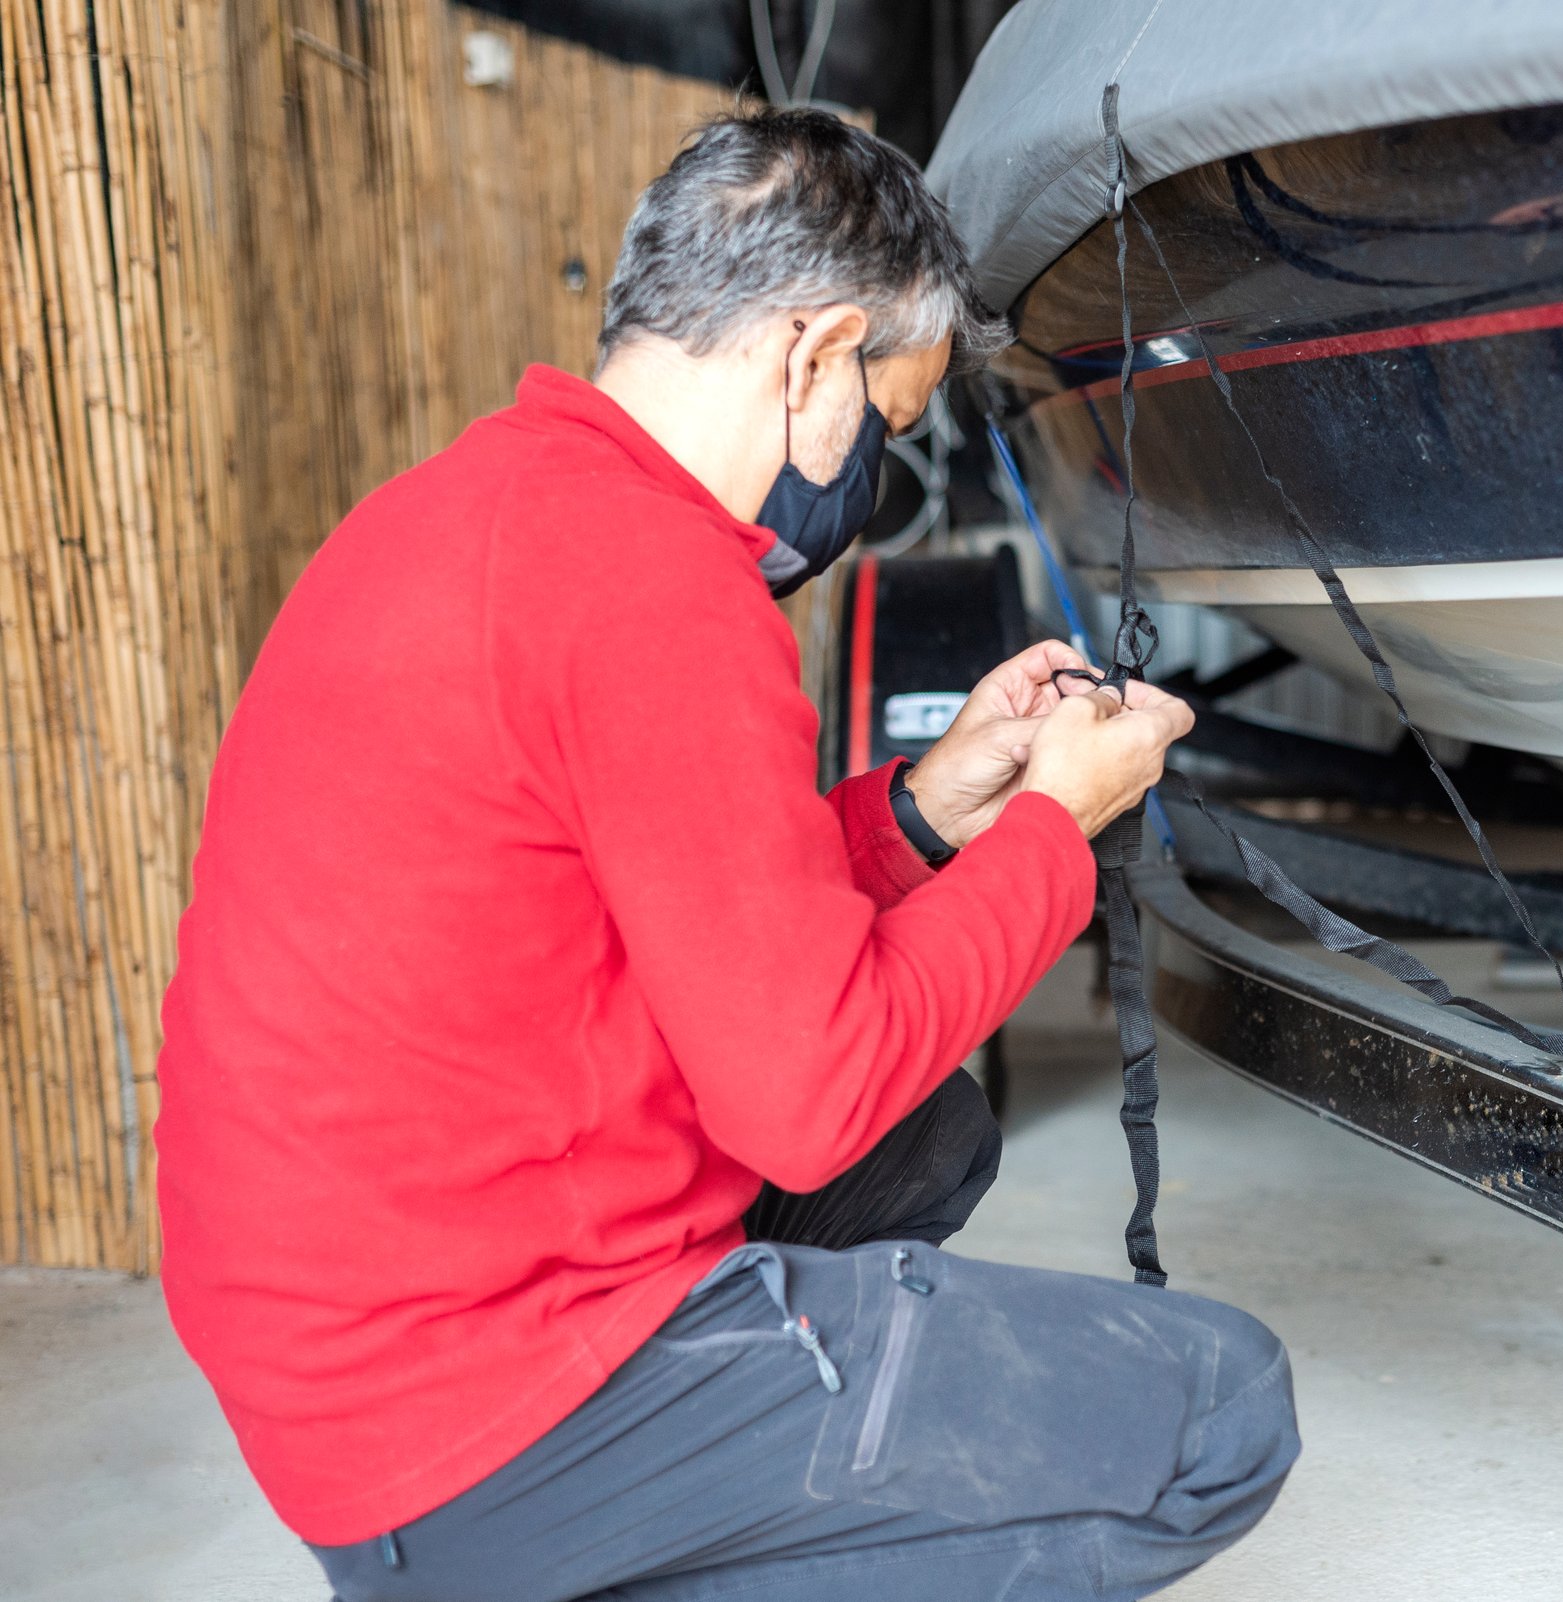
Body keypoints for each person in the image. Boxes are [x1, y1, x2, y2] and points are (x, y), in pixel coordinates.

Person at [154, 108, 1299, 1602]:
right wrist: (1050, 831)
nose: (865, 476)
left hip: (338, 1369)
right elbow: (806, 1096)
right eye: (880, 427)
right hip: (463, 1417)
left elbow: (664, 898)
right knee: (1220, 1409)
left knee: (932, 1135)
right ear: (812, 353)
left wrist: (934, 808)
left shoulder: (464, 511)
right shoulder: (661, 587)